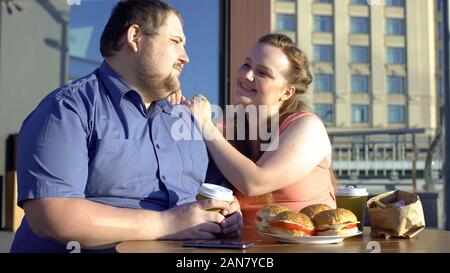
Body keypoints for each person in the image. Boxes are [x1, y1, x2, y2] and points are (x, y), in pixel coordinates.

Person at [10, 0, 242, 253]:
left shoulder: (185, 118)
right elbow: (52, 216)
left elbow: (218, 191)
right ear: (135, 37)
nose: (185, 58)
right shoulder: (67, 109)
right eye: (176, 41)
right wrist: (168, 223)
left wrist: (228, 211)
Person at [186, 33, 336, 228]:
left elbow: (255, 183)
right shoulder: (227, 127)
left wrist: (206, 126)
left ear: (287, 91)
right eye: (247, 65)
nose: (247, 75)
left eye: (263, 73)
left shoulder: (307, 127)